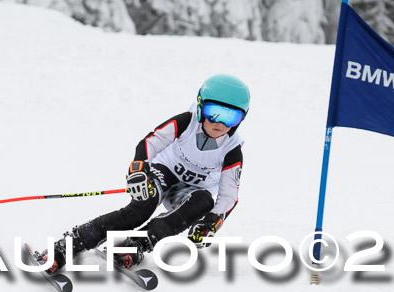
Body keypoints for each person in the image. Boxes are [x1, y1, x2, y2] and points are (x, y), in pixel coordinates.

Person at [36, 73, 250, 272]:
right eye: (214, 113)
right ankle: (64, 248)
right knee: (142, 208)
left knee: (205, 201)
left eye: (231, 117)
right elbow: (151, 142)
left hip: (191, 192)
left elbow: (229, 195)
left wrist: (211, 222)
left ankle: (136, 244)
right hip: (164, 172)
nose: (220, 123)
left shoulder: (232, 149)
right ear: (202, 106)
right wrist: (139, 168)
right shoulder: (187, 121)